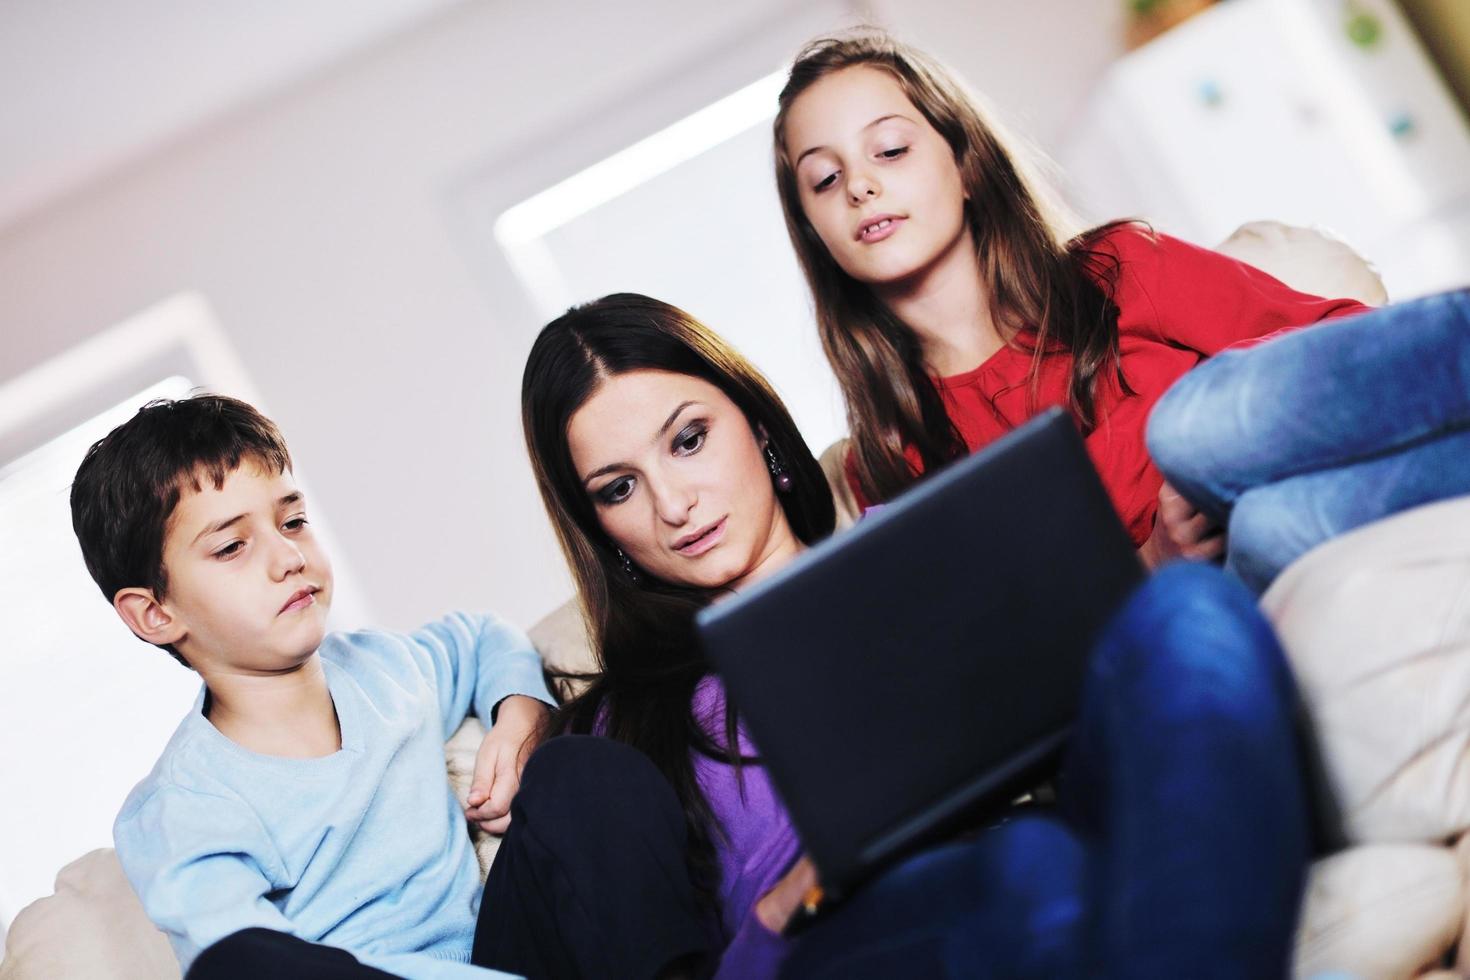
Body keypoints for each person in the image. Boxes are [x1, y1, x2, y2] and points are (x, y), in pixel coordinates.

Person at [484, 293, 1312, 978]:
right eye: (620, 487)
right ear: (600, 530)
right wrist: (785, 905)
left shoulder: (912, 537)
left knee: (1192, 610)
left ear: (760, 428)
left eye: (689, 439)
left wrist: (1152, 570)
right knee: (1033, 871)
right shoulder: (613, 734)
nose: (672, 504)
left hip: (1041, 821)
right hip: (846, 940)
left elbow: (1074, 693)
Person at [772, 31, 1470, 589]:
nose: (860, 184)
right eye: (825, 179)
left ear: (966, 164)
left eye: (890, 149)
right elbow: (1012, 653)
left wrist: (1228, 457)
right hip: (1191, 618)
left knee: (1217, 455)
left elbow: (1346, 344)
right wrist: (1156, 558)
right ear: (815, 233)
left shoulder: (1121, 268)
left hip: (1284, 515)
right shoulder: (888, 465)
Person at [69, 394, 556, 979]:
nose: (288, 556)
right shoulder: (181, 809)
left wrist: (522, 717)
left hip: (507, 943)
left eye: (292, 521)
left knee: (586, 771)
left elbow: (483, 638)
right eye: (231, 546)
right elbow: (241, 956)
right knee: (239, 964)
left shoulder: (386, 668)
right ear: (156, 614)